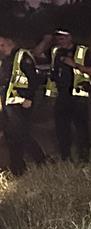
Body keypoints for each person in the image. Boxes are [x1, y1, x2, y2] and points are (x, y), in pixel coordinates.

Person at [39, 29, 91, 163]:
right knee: (61, 128)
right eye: (58, 38)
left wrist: (74, 64)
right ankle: (65, 156)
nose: (60, 41)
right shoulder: (55, 51)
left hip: (78, 95)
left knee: (81, 127)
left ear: (70, 37)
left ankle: (83, 155)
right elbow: (36, 53)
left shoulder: (83, 51)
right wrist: (45, 41)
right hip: (61, 95)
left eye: (63, 38)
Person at [0, 36, 48, 176]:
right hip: (8, 102)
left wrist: (28, 98)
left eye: (0, 45)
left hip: (21, 102)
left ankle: (41, 160)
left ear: (6, 44)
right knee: (11, 135)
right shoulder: (5, 60)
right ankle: (17, 168)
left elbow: (33, 79)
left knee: (21, 133)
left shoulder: (22, 56)